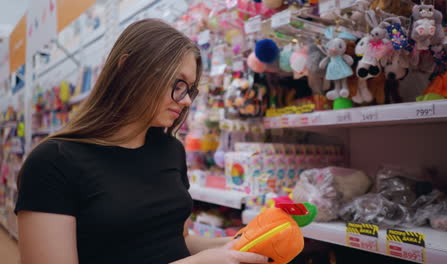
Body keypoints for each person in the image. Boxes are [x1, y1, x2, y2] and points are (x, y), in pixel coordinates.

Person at [15, 19, 268, 264]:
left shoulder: (171, 150)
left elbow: (178, 241)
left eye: (190, 89)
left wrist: (244, 242)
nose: (187, 101)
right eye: (177, 83)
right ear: (127, 68)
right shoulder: (52, 163)